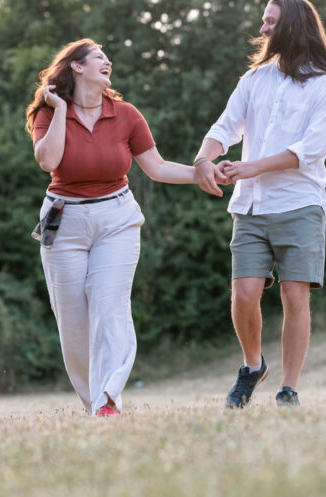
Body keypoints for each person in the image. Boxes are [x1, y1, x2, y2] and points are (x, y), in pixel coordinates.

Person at [25, 38, 215, 417]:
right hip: (65, 222)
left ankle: (108, 399)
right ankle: (92, 403)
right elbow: (48, 161)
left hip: (117, 219)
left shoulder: (126, 114)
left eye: (106, 57)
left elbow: (157, 168)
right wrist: (60, 109)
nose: (107, 61)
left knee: (110, 307)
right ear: (76, 67)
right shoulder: (49, 113)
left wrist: (202, 173)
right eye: (98, 57)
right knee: (73, 321)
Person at [194, 0, 326, 409]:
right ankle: (252, 366)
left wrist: (251, 167)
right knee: (243, 293)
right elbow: (225, 126)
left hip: (300, 204)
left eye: (270, 22)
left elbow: (308, 151)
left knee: (295, 297)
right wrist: (205, 159)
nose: (262, 29)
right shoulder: (254, 79)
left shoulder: (323, 86)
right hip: (251, 206)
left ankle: (288, 388)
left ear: (293, 26)